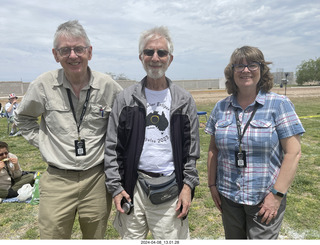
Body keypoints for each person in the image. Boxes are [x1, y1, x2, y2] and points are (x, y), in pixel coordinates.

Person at [14, 20, 122, 239]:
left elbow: (128, 119)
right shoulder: (43, 85)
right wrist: (43, 141)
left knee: (95, 237)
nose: (73, 55)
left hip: (96, 179)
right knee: (52, 236)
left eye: (79, 49)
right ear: (56, 55)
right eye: (65, 50)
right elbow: (24, 118)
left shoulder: (108, 85)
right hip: (57, 178)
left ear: (89, 52)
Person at [104, 26, 200, 239]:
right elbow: (112, 148)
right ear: (141, 57)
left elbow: (192, 152)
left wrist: (187, 187)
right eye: (149, 52)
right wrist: (116, 187)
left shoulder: (183, 100)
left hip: (170, 191)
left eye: (161, 52)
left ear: (170, 58)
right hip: (133, 188)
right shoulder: (126, 99)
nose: (155, 57)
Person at [205, 46, 305, 239]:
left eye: (252, 64)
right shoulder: (221, 107)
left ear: (262, 69)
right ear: (231, 71)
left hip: (264, 198)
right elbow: (213, 150)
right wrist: (212, 185)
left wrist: (276, 195)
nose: (245, 70)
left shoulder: (279, 104)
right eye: (239, 66)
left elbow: (293, 153)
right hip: (229, 196)